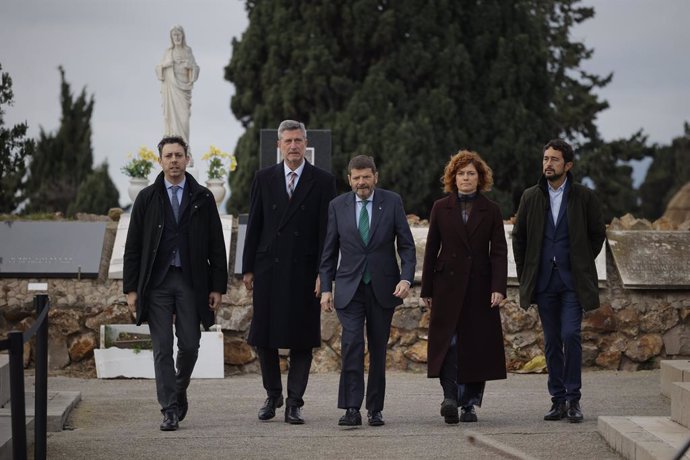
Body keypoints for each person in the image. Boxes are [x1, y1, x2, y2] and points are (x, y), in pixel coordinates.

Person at [123, 135, 228, 431]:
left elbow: (216, 245)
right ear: (160, 161)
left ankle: (178, 388)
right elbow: (133, 247)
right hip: (156, 283)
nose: (173, 160)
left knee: (191, 345)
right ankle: (169, 408)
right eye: (168, 156)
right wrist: (131, 289)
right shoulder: (147, 198)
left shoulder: (203, 197)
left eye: (178, 155)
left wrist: (217, 286)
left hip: (190, 282)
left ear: (187, 159)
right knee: (162, 347)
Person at [242, 120, 336, 424]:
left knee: (302, 338)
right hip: (269, 267)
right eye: (288, 141)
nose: (293, 146)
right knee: (264, 337)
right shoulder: (264, 178)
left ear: (305, 143)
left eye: (298, 140)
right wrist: (247, 268)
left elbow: (327, 232)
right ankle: (273, 395)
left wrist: (325, 273)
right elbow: (254, 224)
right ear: (278, 145)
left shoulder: (322, 181)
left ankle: (295, 402)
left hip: (306, 270)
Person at [512, 139, 606, 423]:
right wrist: (526, 271)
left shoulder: (584, 196)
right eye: (545, 159)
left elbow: (596, 234)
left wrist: (580, 260)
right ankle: (557, 400)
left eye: (554, 159)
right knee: (552, 342)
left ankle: (574, 399)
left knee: (571, 335)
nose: (548, 164)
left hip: (571, 282)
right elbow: (520, 237)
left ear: (568, 165)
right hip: (544, 282)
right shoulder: (531, 196)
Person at [320, 155, 416, 427]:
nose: (361, 182)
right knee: (352, 344)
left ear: (376, 176)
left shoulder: (392, 201)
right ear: (349, 179)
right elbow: (328, 252)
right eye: (356, 177)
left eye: (366, 176)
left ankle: (375, 409)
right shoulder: (337, 206)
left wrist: (406, 279)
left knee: (377, 348)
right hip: (349, 289)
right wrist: (326, 288)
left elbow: (407, 247)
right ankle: (351, 408)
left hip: (383, 288)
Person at [421, 150, 508, 424]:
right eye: (461, 173)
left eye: (471, 173)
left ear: (479, 177)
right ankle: (450, 398)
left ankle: (469, 403)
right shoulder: (440, 207)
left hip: (480, 287)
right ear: (453, 177)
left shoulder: (491, 210)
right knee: (449, 342)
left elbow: (499, 252)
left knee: (476, 344)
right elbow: (432, 247)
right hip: (446, 284)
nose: (466, 178)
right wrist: (427, 289)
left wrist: (498, 287)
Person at [155, 25, 199, 154]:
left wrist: (189, 66)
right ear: (171, 37)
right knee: (171, 121)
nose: (177, 37)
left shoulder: (187, 51)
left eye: (179, 34)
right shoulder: (168, 52)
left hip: (183, 89)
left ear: (183, 36)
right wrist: (165, 65)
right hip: (171, 89)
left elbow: (195, 68)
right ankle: (171, 151)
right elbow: (159, 68)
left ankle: (185, 151)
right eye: (174, 35)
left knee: (184, 120)